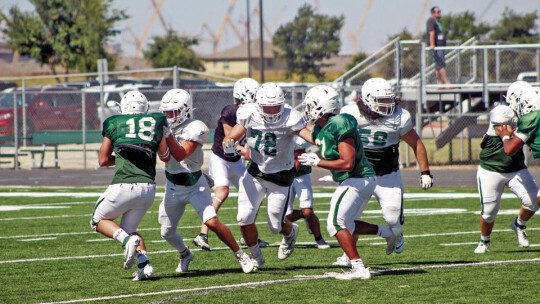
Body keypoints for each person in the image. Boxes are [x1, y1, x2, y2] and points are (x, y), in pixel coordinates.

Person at [299, 85, 400, 280]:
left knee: (335, 224)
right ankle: (388, 233)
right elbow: (310, 135)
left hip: (357, 178)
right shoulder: (322, 128)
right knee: (348, 224)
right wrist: (288, 126)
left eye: (311, 105)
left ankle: (358, 268)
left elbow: (347, 162)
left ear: (321, 107)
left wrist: (318, 162)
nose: (307, 109)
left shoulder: (340, 122)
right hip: (359, 179)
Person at [158, 89, 256, 274]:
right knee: (167, 232)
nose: (169, 116)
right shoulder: (163, 126)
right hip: (172, 186)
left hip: (195, 186)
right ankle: (185, 253)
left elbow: (181, 155)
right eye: (166, 113)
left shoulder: (196, 127)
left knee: (211, 221)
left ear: (185, 110)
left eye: (173, 112)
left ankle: (241, 255)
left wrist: (166, 136)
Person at [338, 77, 432, 262]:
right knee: (349, 218)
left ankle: (396, 234)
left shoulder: (400, 116)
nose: (387, 105)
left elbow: (416, 143)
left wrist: (425, 172)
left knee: (393, 218)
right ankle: (348, 254)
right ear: (367, 99)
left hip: (387, 175)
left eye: (389, 100)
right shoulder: (350, 113)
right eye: (382, 101)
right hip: (359, 174)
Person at [222, 82, 314, 270]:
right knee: (244, 217)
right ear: (257, 104)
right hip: (255, 171)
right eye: (267, 107)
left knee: (275, 225)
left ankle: (290, 233)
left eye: (276, 106)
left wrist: (326, 141)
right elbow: (232, 135)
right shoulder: (248, 113)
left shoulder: (291, 117)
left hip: (281, 176)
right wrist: (229, 143)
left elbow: (309, 135)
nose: (272, 111)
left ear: (283, 104)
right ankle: (256, 256)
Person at [91, 90, 170, 281]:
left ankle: (127, 241)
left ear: (122, 107)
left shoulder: (114, 122)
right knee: (129, 227)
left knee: (97, 220)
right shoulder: (156, 121)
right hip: (149, 189)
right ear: (146, 107)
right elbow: (165, 156)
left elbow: (102, 160)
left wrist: (121, 159)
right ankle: (144, 265)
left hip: (124, 185)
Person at [193, 77, 268, 251]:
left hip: (236, 161)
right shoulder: (230, 111)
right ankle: (203, 234)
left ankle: (246, 236)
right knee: (222, 191)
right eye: (255, 95)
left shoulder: (255, 113)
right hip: (221, 158)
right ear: (246, 95)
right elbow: (230, 142)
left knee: (255, 193)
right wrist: (246, 152)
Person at [474, 103, 540, 253]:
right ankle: (484, 241)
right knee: (489, 211)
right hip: (491, 169)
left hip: (516, 169)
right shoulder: (502, 113)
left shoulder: (525, 117)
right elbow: (504, 133)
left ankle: (519, 225)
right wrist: (511, 132)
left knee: (533, 201)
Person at [494, 84, 540, 249]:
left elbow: (509, 149)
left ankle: (519, 224)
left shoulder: (531, 117)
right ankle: (519, 225)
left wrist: (505, 137)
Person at [286, 135, 330, 249]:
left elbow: (297, 157)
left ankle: (319, 238)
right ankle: (302, 215)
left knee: (308, 211)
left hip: (300, 175)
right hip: (282, 174)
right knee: (285, 216)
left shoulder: (298, 133)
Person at [426, 6, 451, 86]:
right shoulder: (431, 21)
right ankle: (446, 82)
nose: (440, 13)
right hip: (436, 47)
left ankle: (439, 83)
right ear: (433, 13)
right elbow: (431, 33)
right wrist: (432, 45)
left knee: (438, 66)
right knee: (441, 64)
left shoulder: (439, 22)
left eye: (440, 11)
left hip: (441, 47)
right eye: (438, 12)